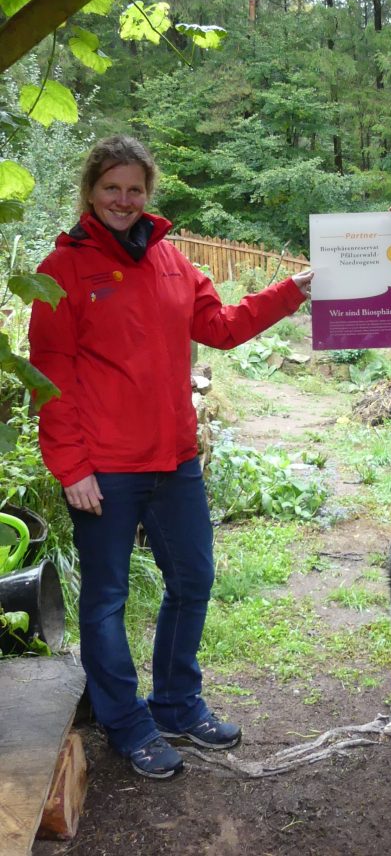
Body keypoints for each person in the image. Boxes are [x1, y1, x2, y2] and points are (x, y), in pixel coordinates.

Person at [29, 135, 313, 780]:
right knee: (105, 600)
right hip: (104, 468)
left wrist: (293, 290)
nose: (123, 201)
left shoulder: (171, 262)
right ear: (91, 192)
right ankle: (128, 724)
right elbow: (50, 371)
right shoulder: (62, 269)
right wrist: (70, 466)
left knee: (192, 582)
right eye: (111, 189)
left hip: (175, 459)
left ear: (147, 193)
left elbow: (222, 327)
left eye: (134, 189)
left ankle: (178, 704)